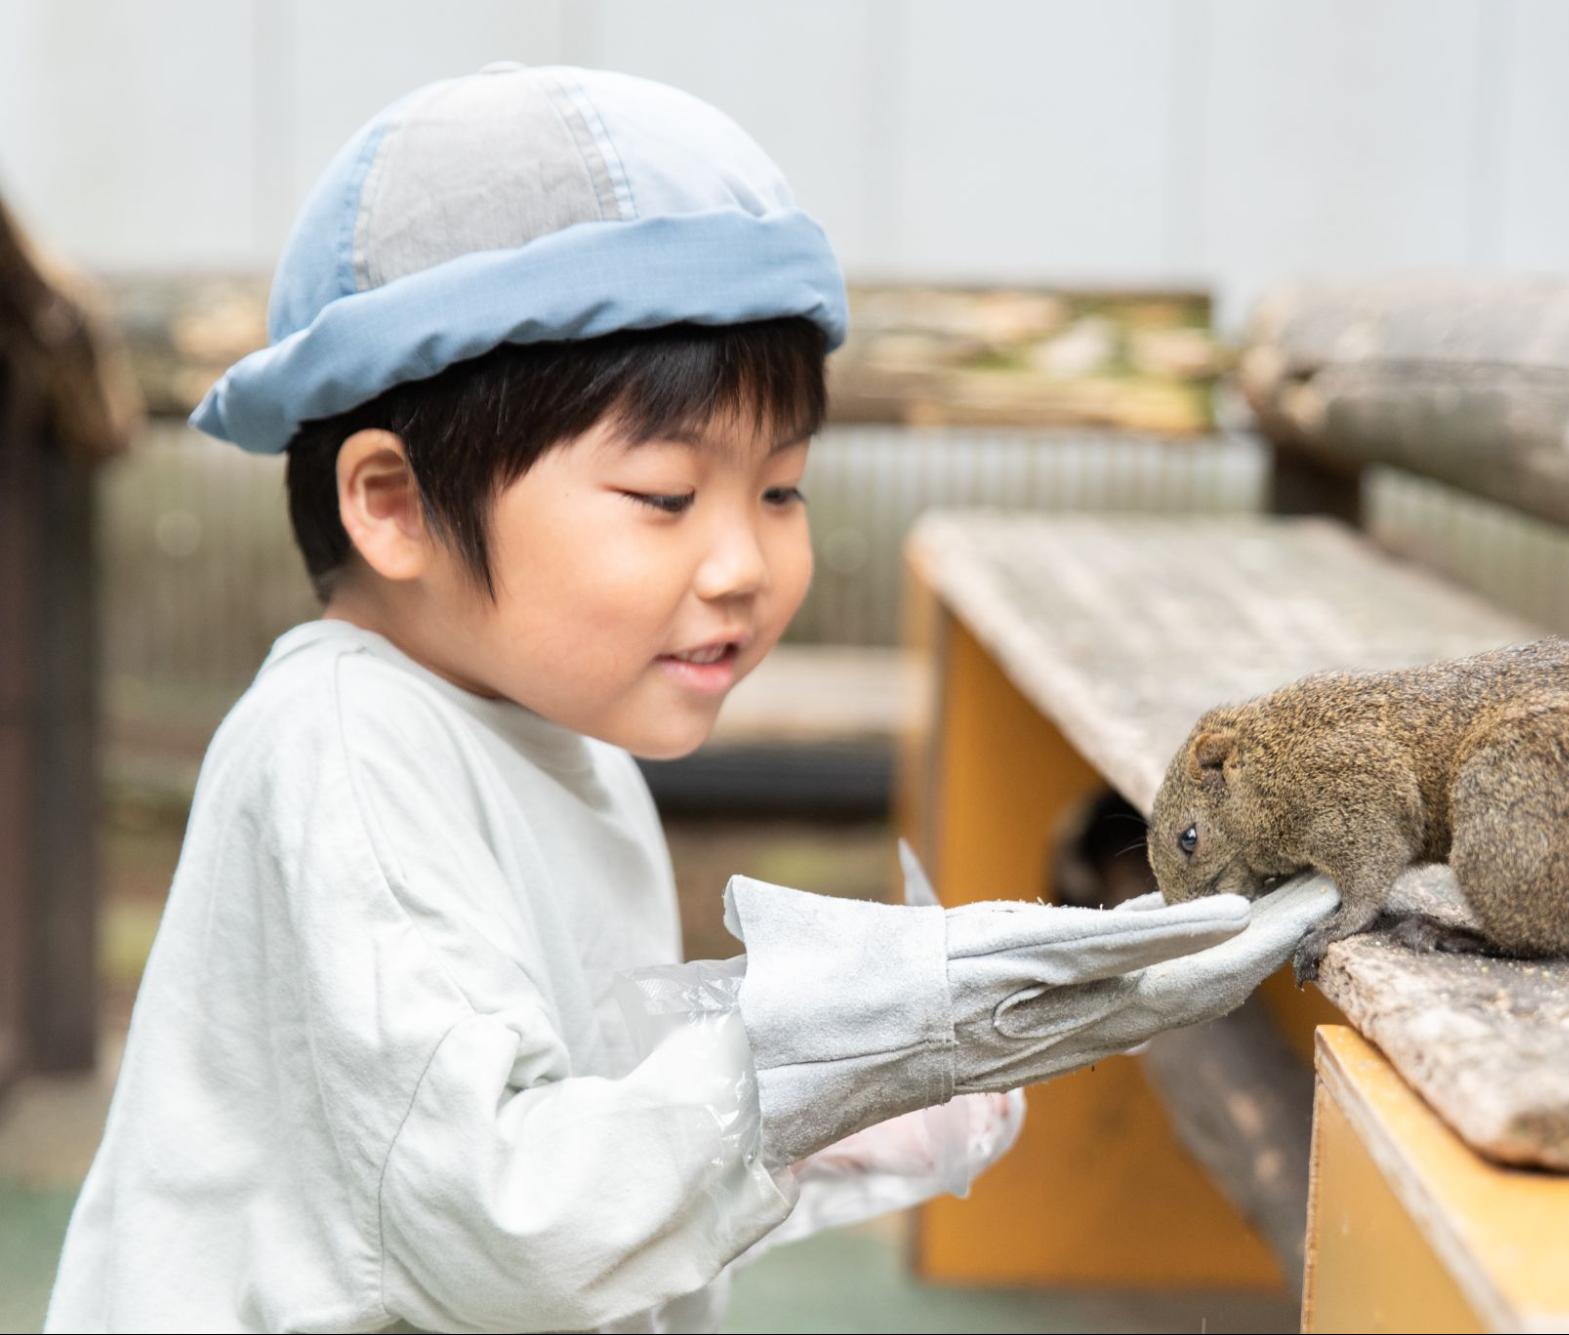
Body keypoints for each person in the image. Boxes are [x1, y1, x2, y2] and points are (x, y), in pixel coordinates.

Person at [42, 65, 1334, 1334]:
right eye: (666, 498)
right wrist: (827, 1065)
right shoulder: (346, 751)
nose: (745, 564)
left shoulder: (554, 734)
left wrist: (833, 1129)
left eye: (781, 490)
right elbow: (508, 1221)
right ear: (392, 504)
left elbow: (573, 1113)